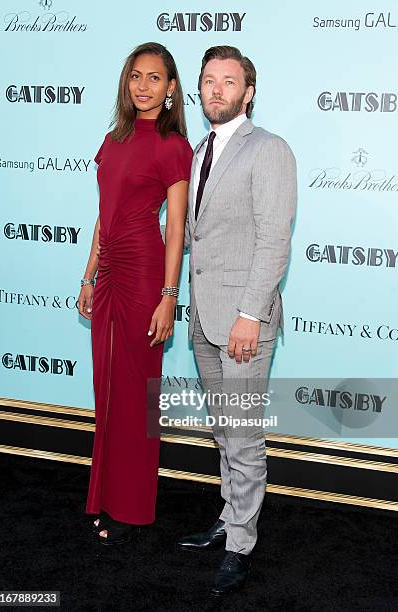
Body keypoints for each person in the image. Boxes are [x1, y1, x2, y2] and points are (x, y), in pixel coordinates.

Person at [178, 46, 297, 596]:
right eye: (208, 81)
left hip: (243, 322)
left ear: (249, 92)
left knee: (244, 436)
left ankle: (241, 544)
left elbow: (274, 240)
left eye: (229, 81)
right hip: (205, 317)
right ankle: (229, 517)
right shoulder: (199, 149)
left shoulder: (268, 149)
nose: (216, 90)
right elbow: (198, 236)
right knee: (225, 432)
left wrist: (250, 314)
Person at [78, 42, 192, 545]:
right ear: (128, 83)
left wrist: (169, 295)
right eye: (136, 77)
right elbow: (105, 212)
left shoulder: (173, 146)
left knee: (135, 393)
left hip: (146, 273)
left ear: (171, 89)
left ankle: (132, 508)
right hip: (110, 274)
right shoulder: (113, 139)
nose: (144, 86)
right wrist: (88, 274)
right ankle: (104, 496)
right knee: (107, 390)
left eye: (155, 78)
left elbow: (176, 230)